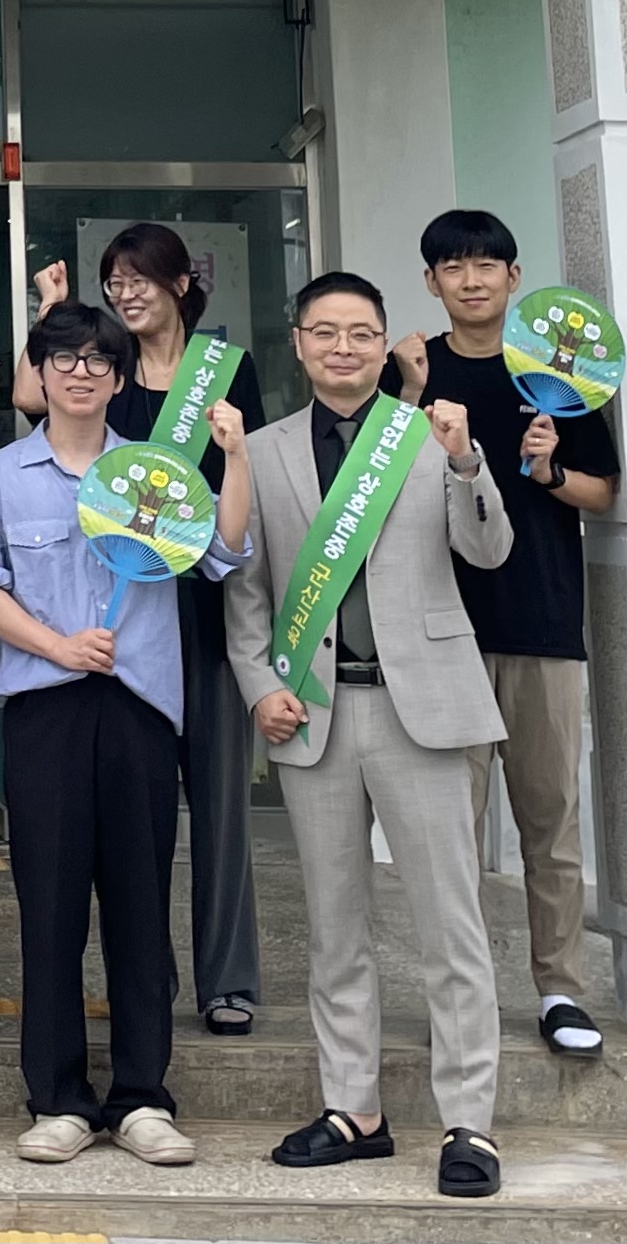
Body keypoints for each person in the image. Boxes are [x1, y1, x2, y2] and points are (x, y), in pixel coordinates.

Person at [227, 270, 514, 1200]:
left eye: (360, 332)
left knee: (450, 923)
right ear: (299, 341)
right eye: (324, 331)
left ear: (385, 341)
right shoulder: (265, 450)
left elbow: (489, 551)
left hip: (419, 704)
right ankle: (354, 1108)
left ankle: (471, 1120)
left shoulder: (427, 436)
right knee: (335, 924)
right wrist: (260, 684)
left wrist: (469, 463)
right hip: (314, 709)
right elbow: (250, 590)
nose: (342, 347)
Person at [0, 295, 252, 1168]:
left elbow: (224, 552)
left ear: (119, 379)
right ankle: (57, 1098)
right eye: (63, 358)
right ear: (39, 376)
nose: (80, 372)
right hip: (47, 706)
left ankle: (142, 1095)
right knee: (48, 905)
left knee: (137, 904)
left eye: (97, 360)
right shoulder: (0, 476)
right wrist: (58, 644)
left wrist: (232, 460)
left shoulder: (156, 475)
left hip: (141, 711)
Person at [21, 223, 266, 1032]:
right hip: (123, 621)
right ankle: (147, 974)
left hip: (204, 608)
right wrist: (53, 311)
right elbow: (33, 399)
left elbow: (242, 481)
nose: (127, 294)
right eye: (114, 281)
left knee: (221, 800)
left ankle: (228, 977)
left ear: (181, 283)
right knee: (141, 814)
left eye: (140, 279)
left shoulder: (228, 374)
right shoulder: (108, 370)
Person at [394, 207, 618, 1065]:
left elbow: (602, 492)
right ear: (432, 282)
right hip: (444, 629)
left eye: (489, 263)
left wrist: (550, 470)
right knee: (453, 829)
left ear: (515, 277)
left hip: (545, 622)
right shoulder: (411, 370)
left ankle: (561, 987)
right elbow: (379, 485)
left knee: (549, 819)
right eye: (454, 265)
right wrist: (410, 395)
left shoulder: (556, 370)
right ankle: (464, 991)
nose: (473, 277)